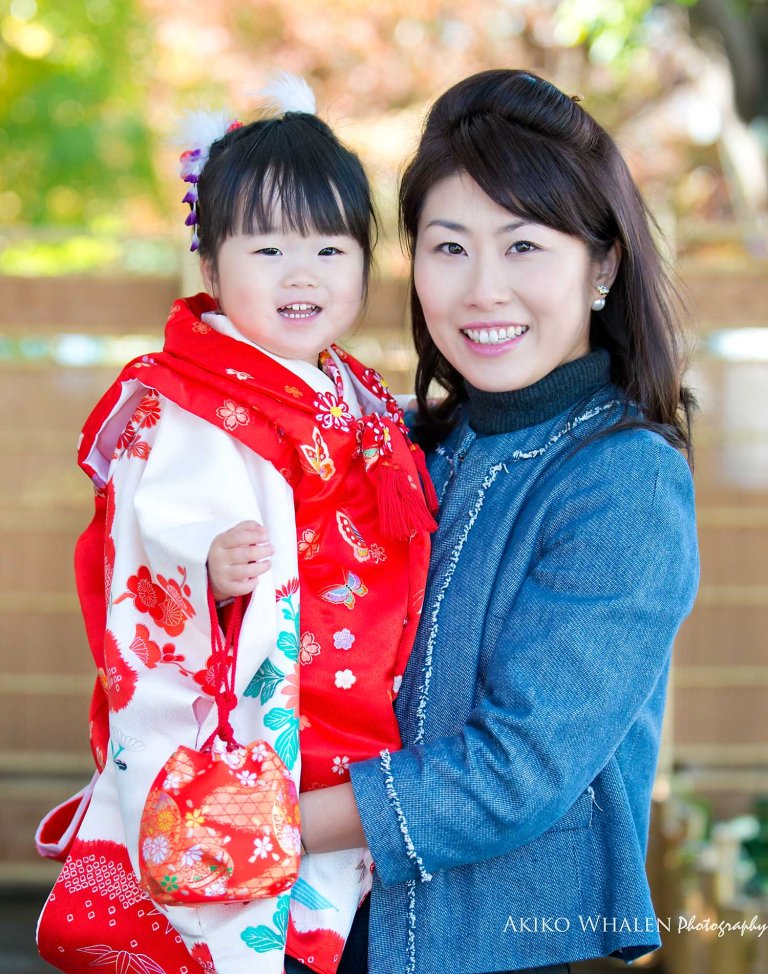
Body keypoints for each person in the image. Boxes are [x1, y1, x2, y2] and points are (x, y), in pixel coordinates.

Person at [293, 69, 700, 974]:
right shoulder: (393, 445)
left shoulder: (624, 480)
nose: (481, 290)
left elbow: (515, 771)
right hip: (319, 929)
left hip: (504, 949)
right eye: (448, 248)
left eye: (523, 248)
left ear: (602, 265)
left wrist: (263, 827)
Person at [35, 77, 435, 974]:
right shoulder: (188, 403)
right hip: (266, 725)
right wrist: (201, 567)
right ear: (211, 269)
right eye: (268, 248)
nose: (304, 273)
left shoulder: (355, 390)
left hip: (353, 719)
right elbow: (147, 539)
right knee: (250, 928)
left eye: (332, 247)